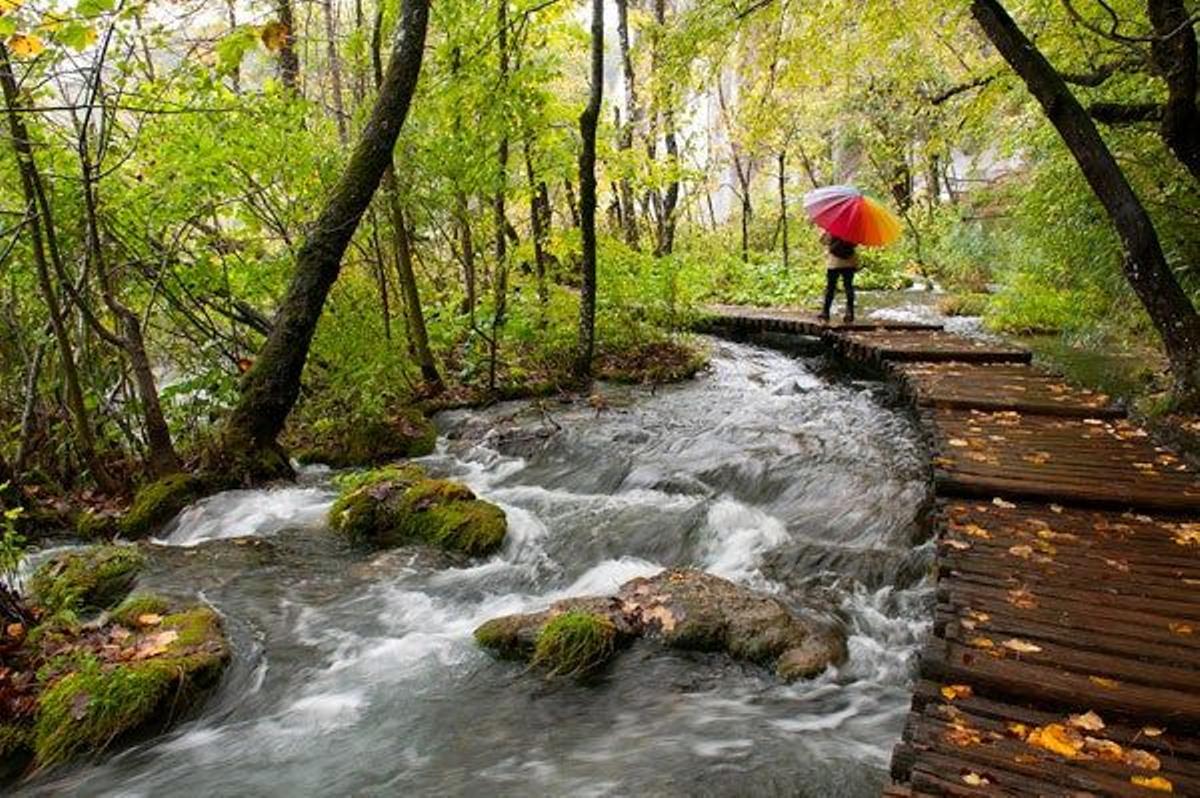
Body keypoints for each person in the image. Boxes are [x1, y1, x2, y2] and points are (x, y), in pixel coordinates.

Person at [818, 231, 858, 323]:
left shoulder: (833, 228)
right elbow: (855, 244)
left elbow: (823, 241)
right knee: (848, 287)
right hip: (849, 262)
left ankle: (825, 312)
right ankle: (850, 312)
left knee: (830, 287)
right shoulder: (854, 230)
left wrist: (825, 233)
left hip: (834, 263)